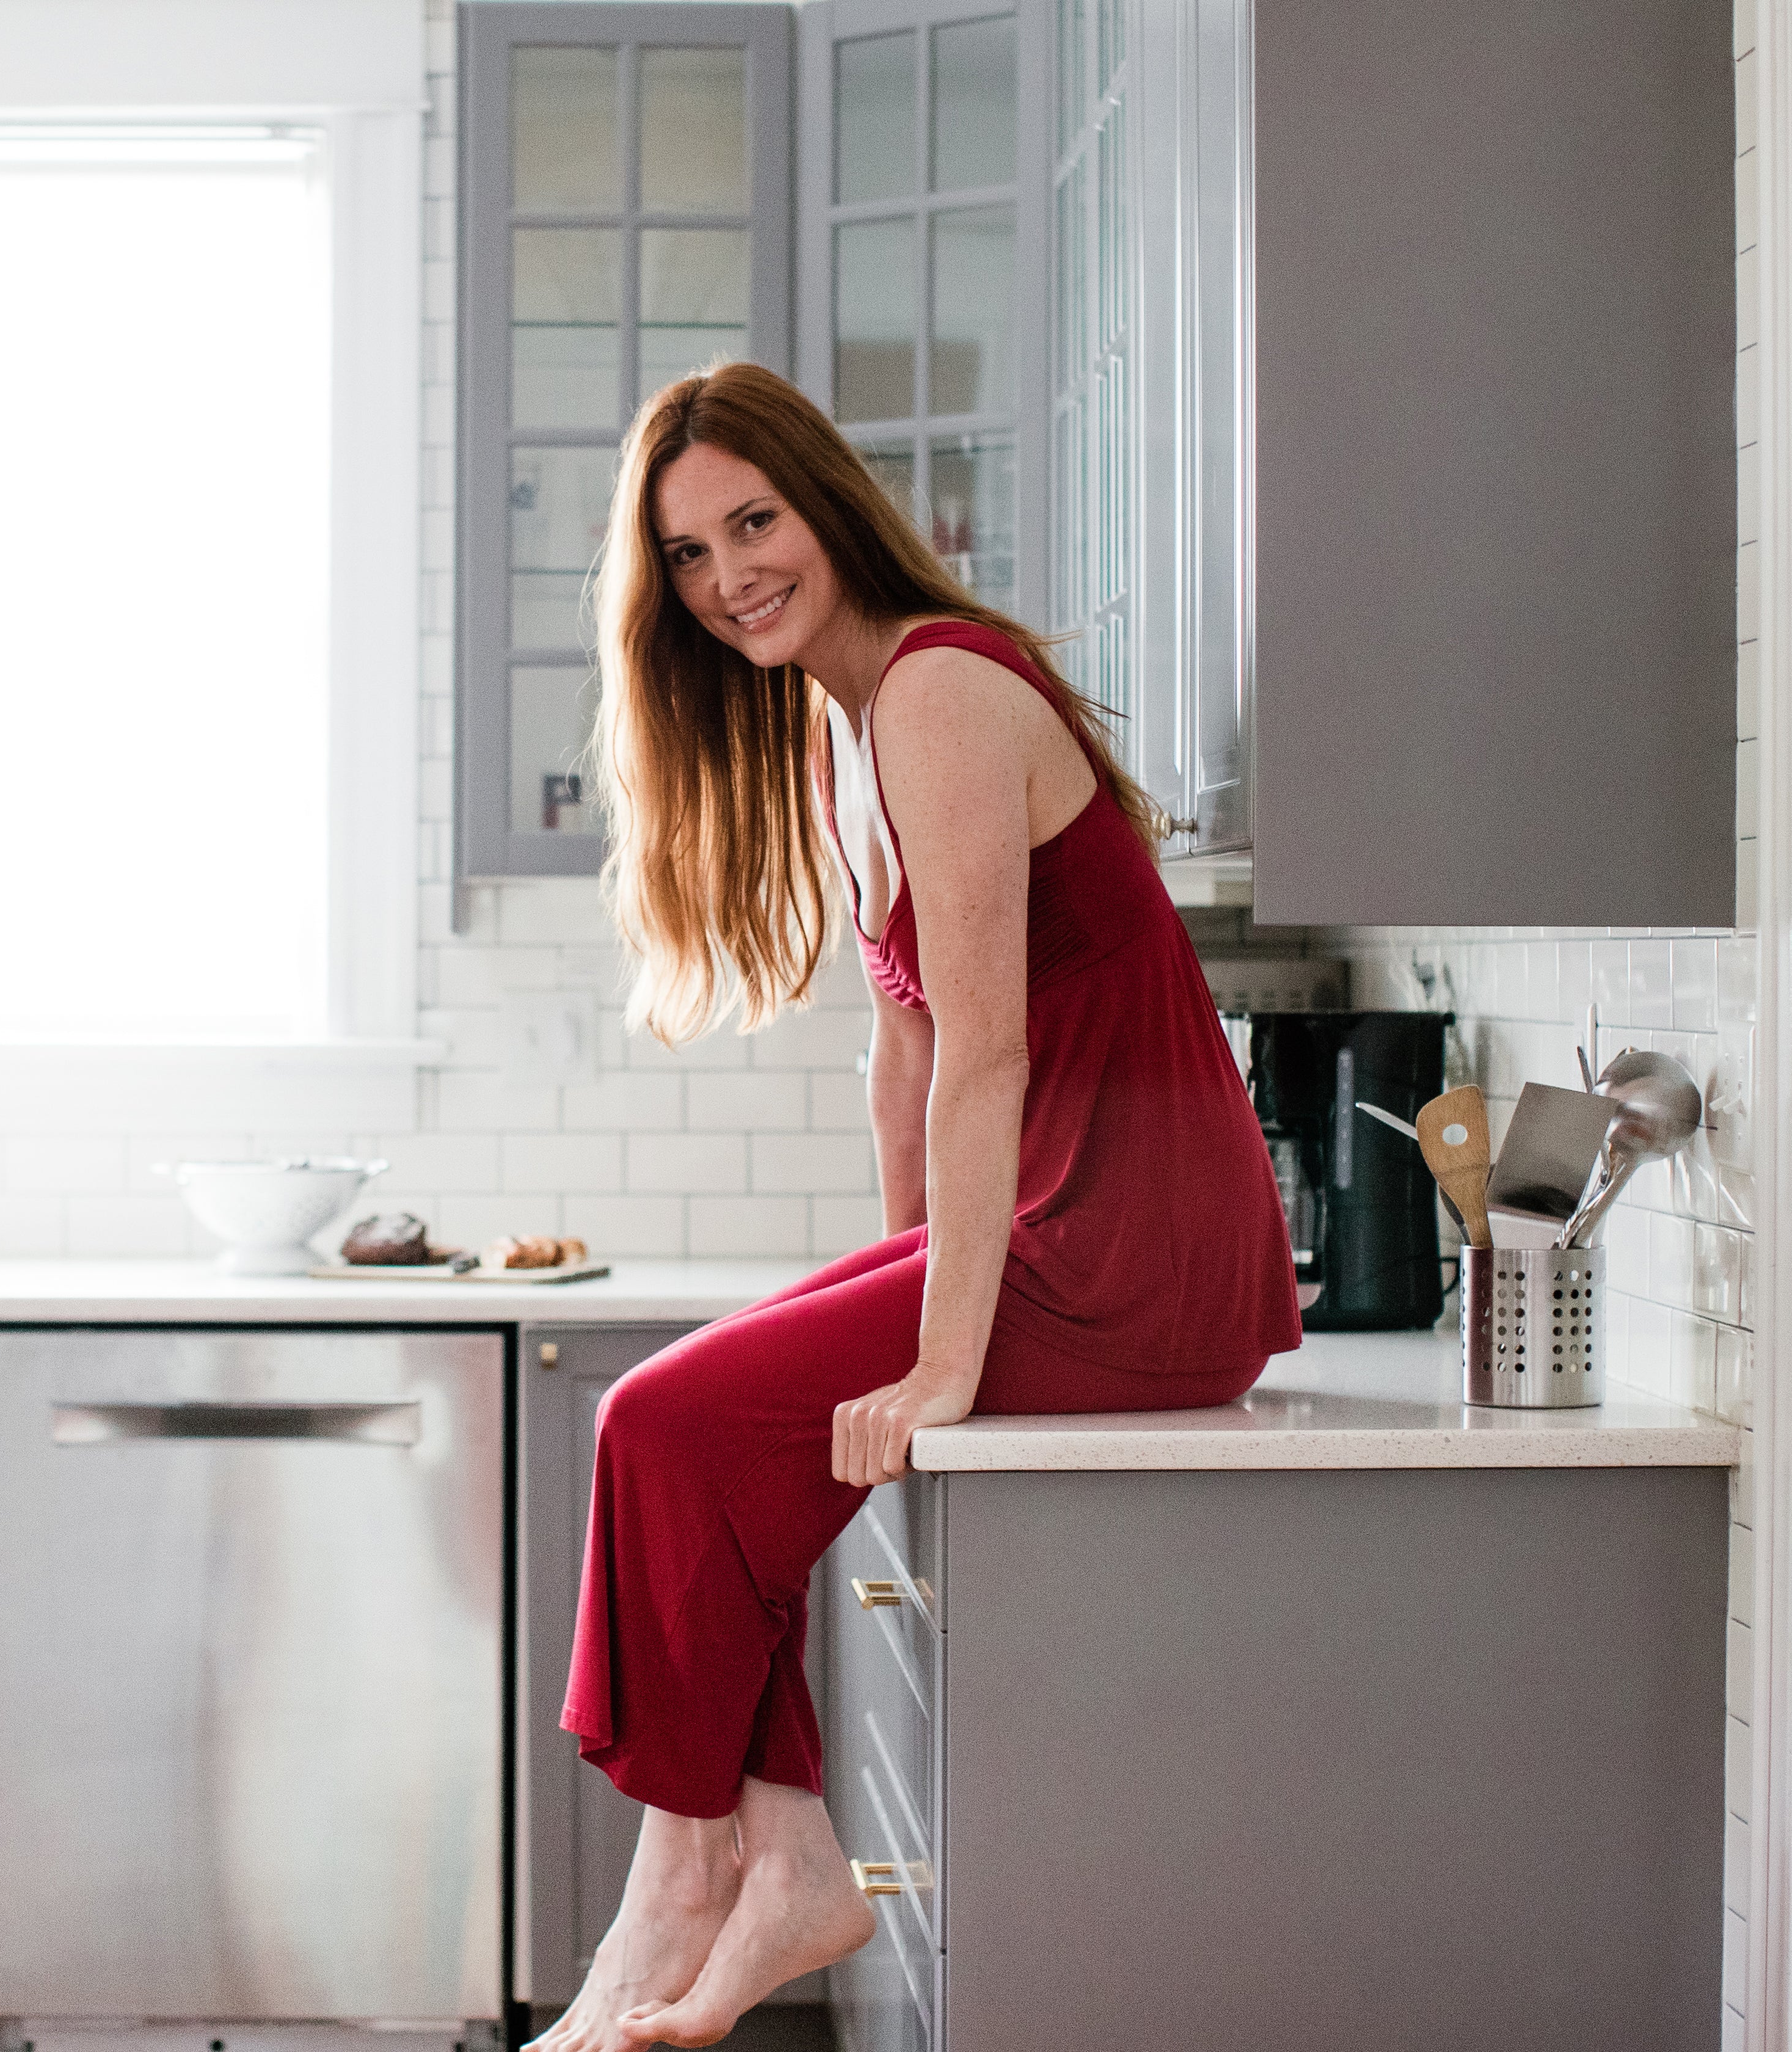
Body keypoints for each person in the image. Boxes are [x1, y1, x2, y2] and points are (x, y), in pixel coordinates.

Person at [528, 362, 1302, 2052]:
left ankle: (686, 1879)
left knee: (658, 1424)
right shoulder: (842, 727)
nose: (731, 573)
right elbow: (903, 1053)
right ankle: (792, 1852)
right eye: (686, 552)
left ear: (828, 506)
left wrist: (942, 1359)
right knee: (713, 1431)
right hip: (1043, 1232)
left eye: (755, 520)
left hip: (1133, 1255)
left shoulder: (945, 692)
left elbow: (992, 1048)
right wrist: (896, 1274)